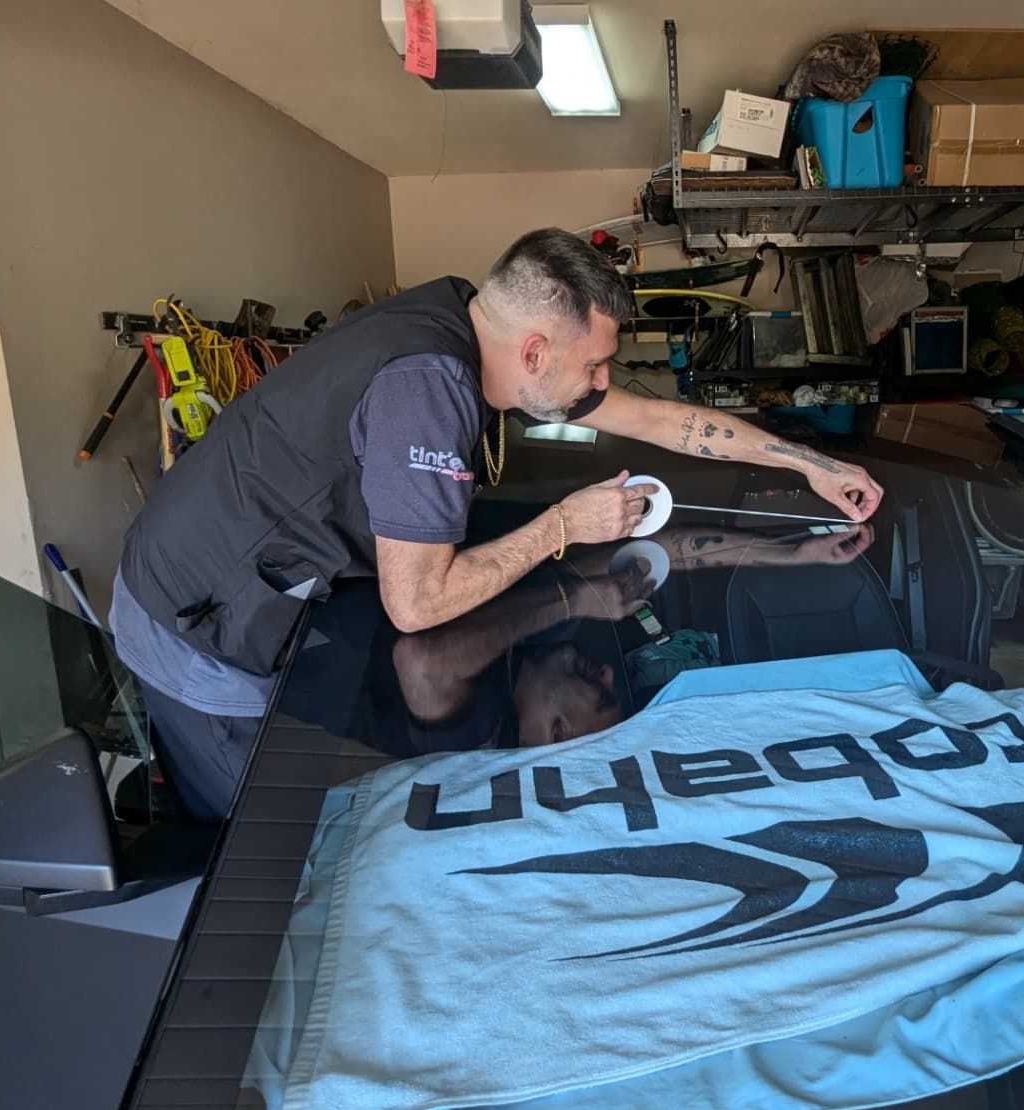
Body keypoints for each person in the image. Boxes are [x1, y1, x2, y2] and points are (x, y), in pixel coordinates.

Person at [111, 227, 883, 820]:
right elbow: (415, 605)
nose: (603, 385)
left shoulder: (470, 320)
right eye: (595, 367)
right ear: (537, 350)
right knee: (260, 849)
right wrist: (562, 527)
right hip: (198, 626)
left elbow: (657, 420)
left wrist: (808, 464)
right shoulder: (430, 387)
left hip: (256, 588)